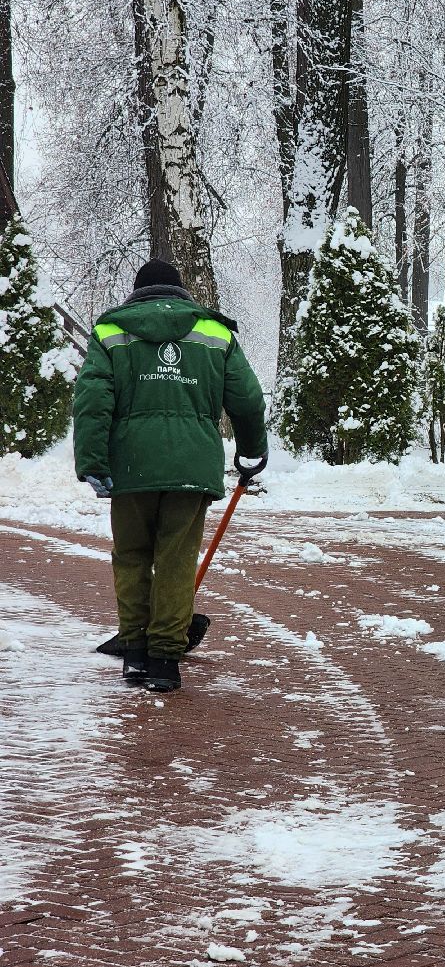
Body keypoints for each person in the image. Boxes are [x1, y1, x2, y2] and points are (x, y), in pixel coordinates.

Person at [72, 259, 268, 693]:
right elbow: (249, 400)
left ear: (137, 292)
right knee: (176, 560)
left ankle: (136, 656)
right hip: (190, 469)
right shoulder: (215, 333)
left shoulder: (110, 333)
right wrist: (253, 450)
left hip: (131, 468)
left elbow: (91, 402)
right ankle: (165, 660)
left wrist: (93, 463)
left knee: (132, 557)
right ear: (181, 293)